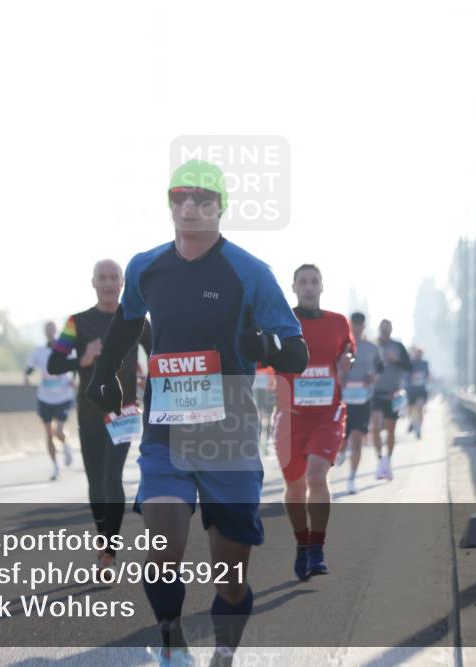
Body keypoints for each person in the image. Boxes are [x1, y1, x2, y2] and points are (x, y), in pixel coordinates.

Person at [86, 159, 308, 667]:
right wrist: (104, 374)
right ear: (170, 203)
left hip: (228, 435)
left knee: (231, 578)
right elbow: (126, 321)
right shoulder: (146, 266)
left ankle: (224, 654)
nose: (190, 207)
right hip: (165, 430)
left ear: (220, 208)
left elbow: (294, 351)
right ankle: (170, 637)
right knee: (163, 549)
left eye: (203, 199)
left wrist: (266, 342)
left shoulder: (249, 272)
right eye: (181, 197)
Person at [48, 260, 152, 569]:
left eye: (114, 278)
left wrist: (149, 374)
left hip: (124, 411)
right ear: (93, 283)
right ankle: (103, 537)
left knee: (112, 477)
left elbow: (160, 352)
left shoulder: (137, 320)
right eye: (102, 278)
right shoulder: (75, 323)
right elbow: (54, 364)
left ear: (123, 283)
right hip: (90, 412)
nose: (108, 284)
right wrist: (84, 358)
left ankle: (109, 552)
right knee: (95, 482)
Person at [273, 265, 353, 580]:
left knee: (317, 476)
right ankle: (303, 545)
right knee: (294, 486)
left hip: (327, 413)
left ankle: (317, 549)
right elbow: (262, 357)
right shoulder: (281, 323)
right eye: (303, 282)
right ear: (293, 287)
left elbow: (347, 351)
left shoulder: (338, 322)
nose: (308, 287)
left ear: (322, 286)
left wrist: (347, 360)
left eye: (314, 281)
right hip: (290, 416)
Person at [337, 312, 382, 494]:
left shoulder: (371, 348)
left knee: (357, 440)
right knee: (342, 440)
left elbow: (380, 369)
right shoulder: (341, 346)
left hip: (363, 400)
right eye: (353, 325)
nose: (356, 328)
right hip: (342, 400)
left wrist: (374, 377)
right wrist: (340, 374)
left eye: (359, 325)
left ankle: (351, 479)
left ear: (364, 326)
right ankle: (340, 452)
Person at [25, 321, 75, 479]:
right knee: (48, 433)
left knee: (59, 431)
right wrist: (26, 376)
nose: (50, 332)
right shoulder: (39, 351)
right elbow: (30, 367)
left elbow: (74, 365)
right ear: (44, 332)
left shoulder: (65, 350)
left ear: (56, 331)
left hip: (63, 395)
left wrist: (74, 378)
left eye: (52, 329)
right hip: (45, 397)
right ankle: (56, 467)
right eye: (47, 329)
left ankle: (66, 446)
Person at [369, 319, 412, 481]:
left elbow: (409, 367)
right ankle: (380, 459)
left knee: (391, 430)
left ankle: (388, 461)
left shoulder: (398, 346)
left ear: (391, 330)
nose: (385, 332)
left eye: (388, 329)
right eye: (383, 329)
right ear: (379, 330)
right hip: (375, 393)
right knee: (375, 428)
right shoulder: (373, 346)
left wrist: (396, 360)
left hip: (393, 394)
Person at [406, 347, 431, 439]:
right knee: (411, 409)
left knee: (420, 408)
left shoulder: (425, 363)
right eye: (417, 353)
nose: (419, 355)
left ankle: (419, 429)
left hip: (421, 389)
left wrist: (427, 379)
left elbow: (427, 375)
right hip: (411, 390)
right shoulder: (410, 363)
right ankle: (412, 422)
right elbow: (406, 375)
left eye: (420, 353)